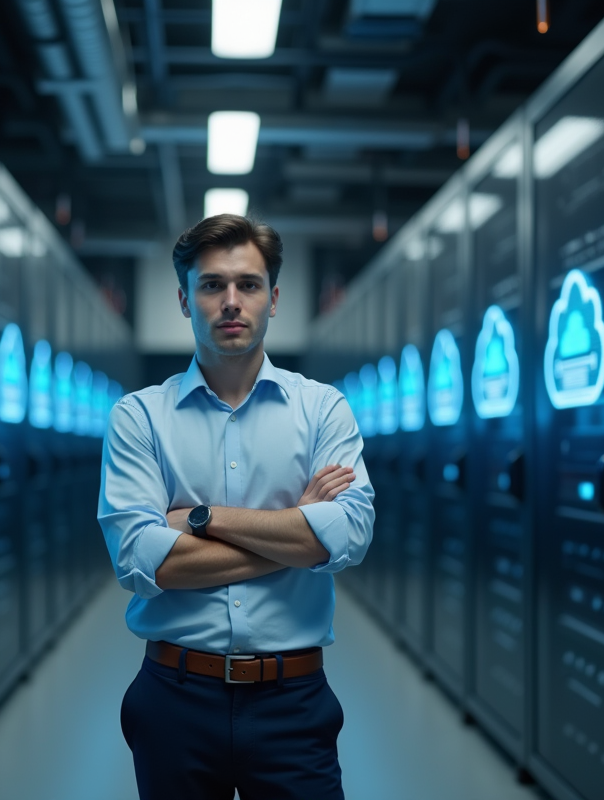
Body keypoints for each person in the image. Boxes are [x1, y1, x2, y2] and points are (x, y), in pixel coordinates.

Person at [97, 214, 375, 800]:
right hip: (173, 699)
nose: (231, 301)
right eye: (211, 285)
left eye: (248, 285)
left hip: (293, 703)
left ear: (273, 300)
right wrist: (298, 534)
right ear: (183, 298)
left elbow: (347, 535)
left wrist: (201, 519)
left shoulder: (323, 410)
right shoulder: (139, 417)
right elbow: (143, 563)